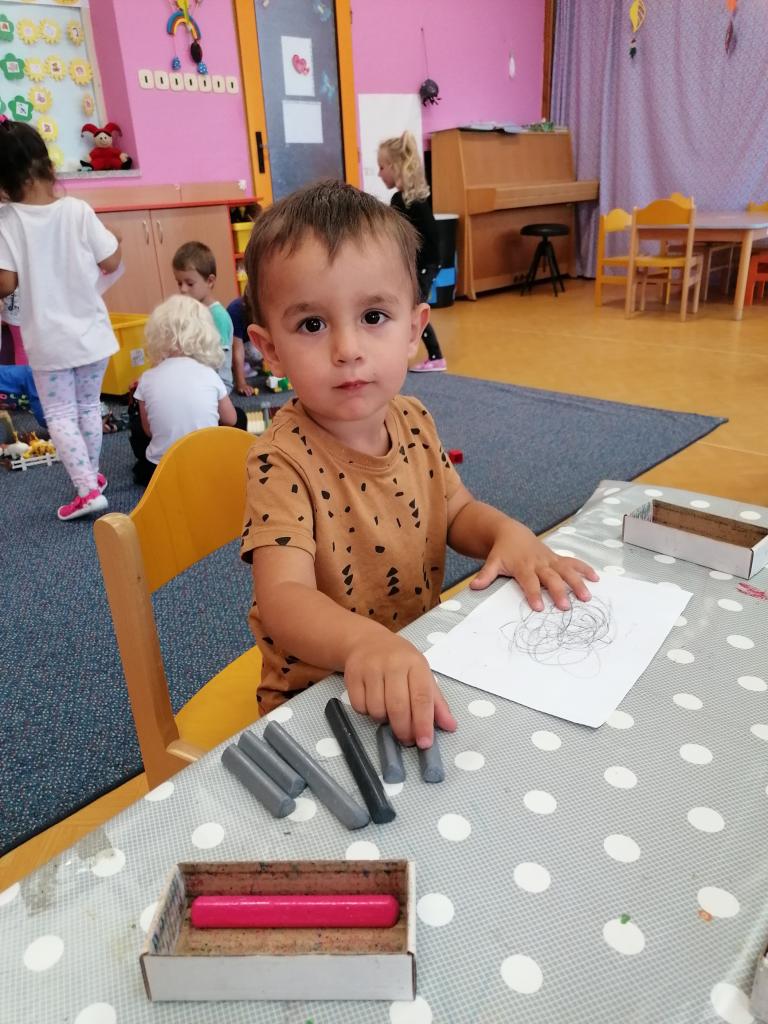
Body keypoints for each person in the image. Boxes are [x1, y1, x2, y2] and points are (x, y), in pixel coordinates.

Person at [239, 180, 598, 748]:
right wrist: (363, 643)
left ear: (413, 329)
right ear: (271, 349)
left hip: (418, 657)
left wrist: (506, 532)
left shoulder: (413, 419)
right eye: (312, 325)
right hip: (319, 699)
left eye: (373, 315)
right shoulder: (279, 460)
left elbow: (455, 510)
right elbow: (283, 600)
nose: (347, 349)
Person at [0, 118, 121, 521]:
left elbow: (6, 283)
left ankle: (87, 490)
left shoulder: (7, 222)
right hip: (92, 335)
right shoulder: (77, 210)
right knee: (88, 407)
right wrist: (114, 240)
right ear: (49, 166)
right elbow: (111, 261)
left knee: (60, 415)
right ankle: (92, 477)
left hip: (50, 340)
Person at [129, 294, 243, 485]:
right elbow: (231, 420)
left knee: (139, 427)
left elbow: (148, 431)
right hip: (207, 467)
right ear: (205, 334)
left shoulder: (147, 378)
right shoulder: (208, 373)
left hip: (161, 471)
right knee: (240, 416)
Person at [378, 131, 447, 372]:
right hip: (427, 262)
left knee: (414, 309)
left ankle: (436, 357)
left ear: (395, 166)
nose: (379, 173)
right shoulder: (413, 198)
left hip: (424, 264)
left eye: (382, 167)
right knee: (411, 308)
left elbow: (399, 237)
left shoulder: (402, 200)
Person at [171, 241, 234, 392]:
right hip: (198, 378)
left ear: (210, 281)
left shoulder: (218, 316)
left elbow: (219, 361)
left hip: (218, 384)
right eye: (179, 283)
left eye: (189, 283)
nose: (183, 289)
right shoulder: (189, 312)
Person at [227, 289, 263, 396]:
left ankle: (248, 365)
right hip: (231, 346)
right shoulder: (235, 311)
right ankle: (238, 367)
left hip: (248, 341)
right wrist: (241, 383)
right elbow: (237, 349)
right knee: (254, 352)